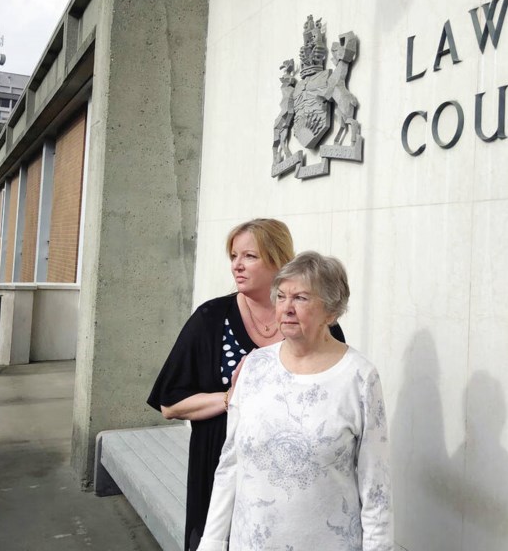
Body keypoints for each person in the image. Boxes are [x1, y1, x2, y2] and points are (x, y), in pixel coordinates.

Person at [147, 220, 346, 550]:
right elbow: (170, 403)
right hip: (222, 467)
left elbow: (335, 395)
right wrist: (231, 398)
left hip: (295, 480)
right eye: (233, 256)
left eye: (249, 256)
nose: (237, 265)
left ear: (279, 260)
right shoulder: (210, 319)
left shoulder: (315, 321)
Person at [198, 251, 393, 551]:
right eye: (281, 296)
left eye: (301, 298)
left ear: (331, 311)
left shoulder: (359, 377)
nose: (286, 308)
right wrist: (211, 542)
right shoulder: (254, 367)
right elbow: (230, 463)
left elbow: (375, 484)